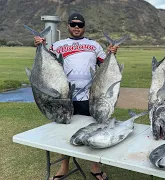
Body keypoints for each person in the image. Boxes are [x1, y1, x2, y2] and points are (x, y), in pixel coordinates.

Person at [34, 12, 117, 180]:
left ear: (84, 27)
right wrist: (39, 45)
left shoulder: (94, 45)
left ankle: (95, 167)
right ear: (68, 26)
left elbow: (104, 64)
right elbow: (47, 65)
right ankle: (64, 168)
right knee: (63, 133)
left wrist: (112, 52)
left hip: (91, 96)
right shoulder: (57, 45)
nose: (76, 27)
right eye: (73, 24)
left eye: (80, 25)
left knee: (93, 129)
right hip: (64, 97)